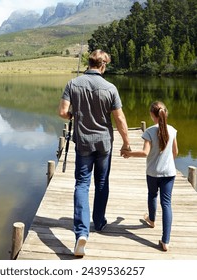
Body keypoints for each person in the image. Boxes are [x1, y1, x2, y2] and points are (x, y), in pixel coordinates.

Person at [58, 49, 130, 257]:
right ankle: (99, 222)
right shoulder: (110, 88)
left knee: (82, 184)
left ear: (89, 63)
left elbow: (63, 112)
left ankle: (81, 232)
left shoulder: (73, 84)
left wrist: (75, 114)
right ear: (103, 65)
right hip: (104, 144)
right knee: (101, 183)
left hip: (83, 143)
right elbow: (120, 119)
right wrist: (126, 143)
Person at [122, 101, 178, 251]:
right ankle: (166, 241)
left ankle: (152, 220)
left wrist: (129, 153)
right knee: (166, 204)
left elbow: (145, 153)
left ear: (152, 116)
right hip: (169, 173)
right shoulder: (172, 130)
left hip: (153, 173)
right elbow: (175, 152)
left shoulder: (150, 132)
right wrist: (167, 163)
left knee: (153, 195)